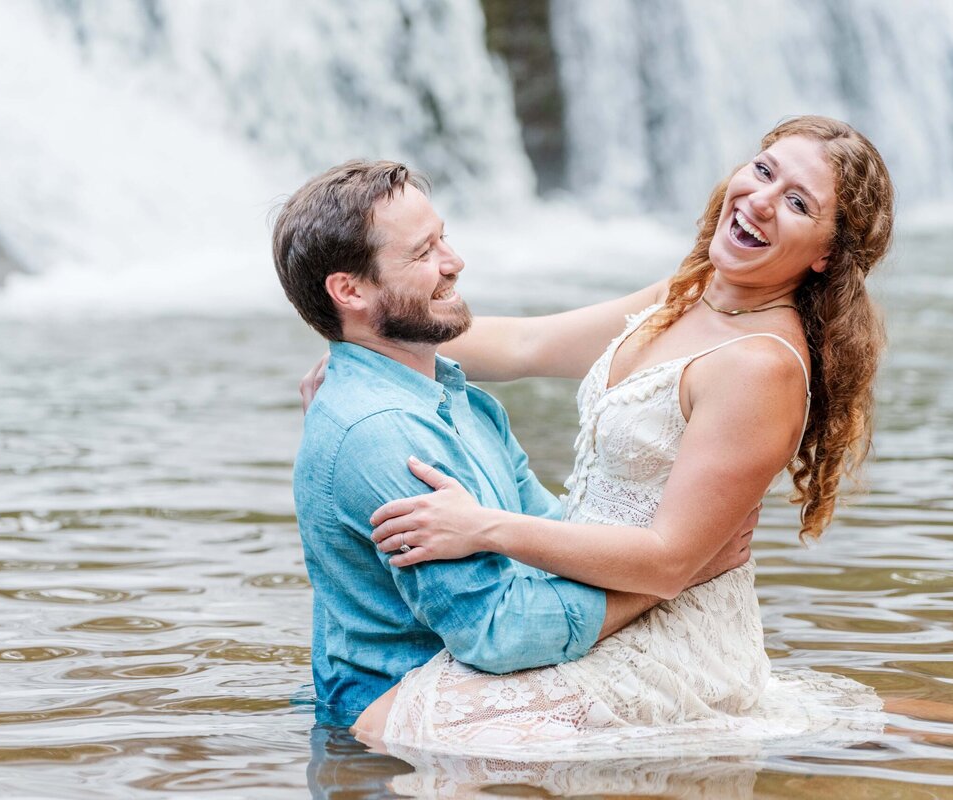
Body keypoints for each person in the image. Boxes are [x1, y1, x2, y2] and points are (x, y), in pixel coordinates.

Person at [302, 115, 894, 757]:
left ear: (826, 254)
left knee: (385, 731)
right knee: (385, 728)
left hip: (660, 626)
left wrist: (484, 528)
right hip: (575, 591)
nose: (760, 201)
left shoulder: (761, 366)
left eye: (798, 202)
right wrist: (362, 348)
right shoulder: (687, 293)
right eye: (763, 170)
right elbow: (528, 344)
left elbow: (670, 562)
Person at [271, 160, 756, 728]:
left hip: (481, 702)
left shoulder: (459, 398)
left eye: (443, 237)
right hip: (402, 743)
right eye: (423, 253)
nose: (454, 262)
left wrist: (660, 557)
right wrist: (674, 576)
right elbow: (498, 631)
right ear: (349, 290)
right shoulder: (383, 436)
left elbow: (553, 528)